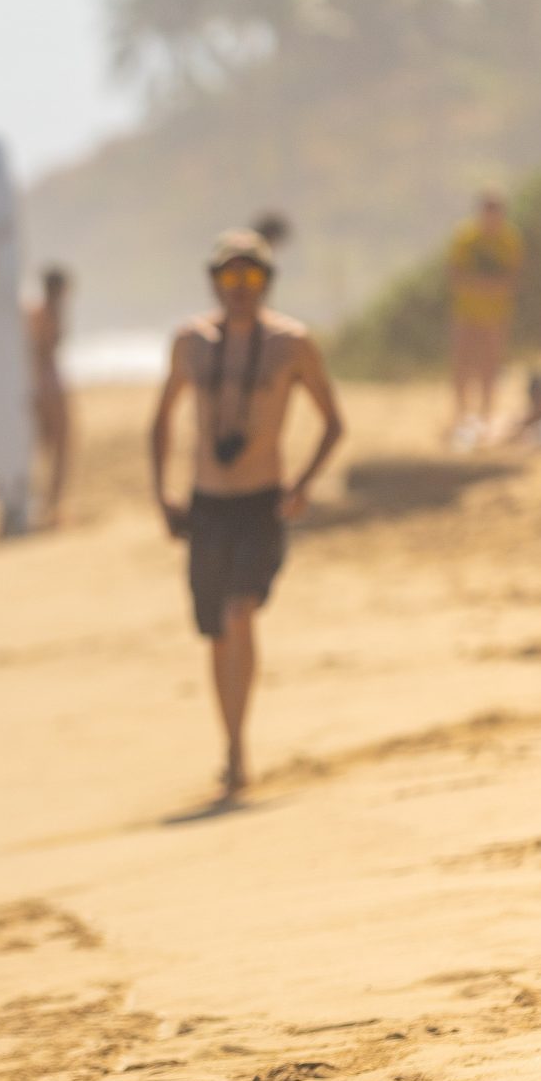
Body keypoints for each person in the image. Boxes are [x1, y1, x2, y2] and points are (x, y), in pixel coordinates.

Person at [149, 231, 344, 801]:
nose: (241, 290)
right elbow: (160, 419)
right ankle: (230, 741)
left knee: (241, 612)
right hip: (208, 505)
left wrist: (302, 487)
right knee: (215, 632)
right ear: (215, 283)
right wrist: (162, 494)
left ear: (267, 283)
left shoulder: (291, 343)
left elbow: (333, 422)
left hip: (261, 501)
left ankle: (239, 754)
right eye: (231, 279)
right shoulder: (190, 342)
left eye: (252, 278)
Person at [445, 188, 523, 443]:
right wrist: (486, 284)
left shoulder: (510, 240)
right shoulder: (465, 237)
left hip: (497, 313)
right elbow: (455, 275)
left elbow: (512, 279)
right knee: (462, 361)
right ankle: (461, 414)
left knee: (490, 364)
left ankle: (486, 413)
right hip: (466, 311)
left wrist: (481, 284)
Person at [26, 265, 75, 524]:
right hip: (46, 381)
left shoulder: (41, 310)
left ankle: (49, 503)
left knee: (51, 443)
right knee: (56, 441)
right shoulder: (46, 311)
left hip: (44, 379)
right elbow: (42, 348)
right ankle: (49, 505)